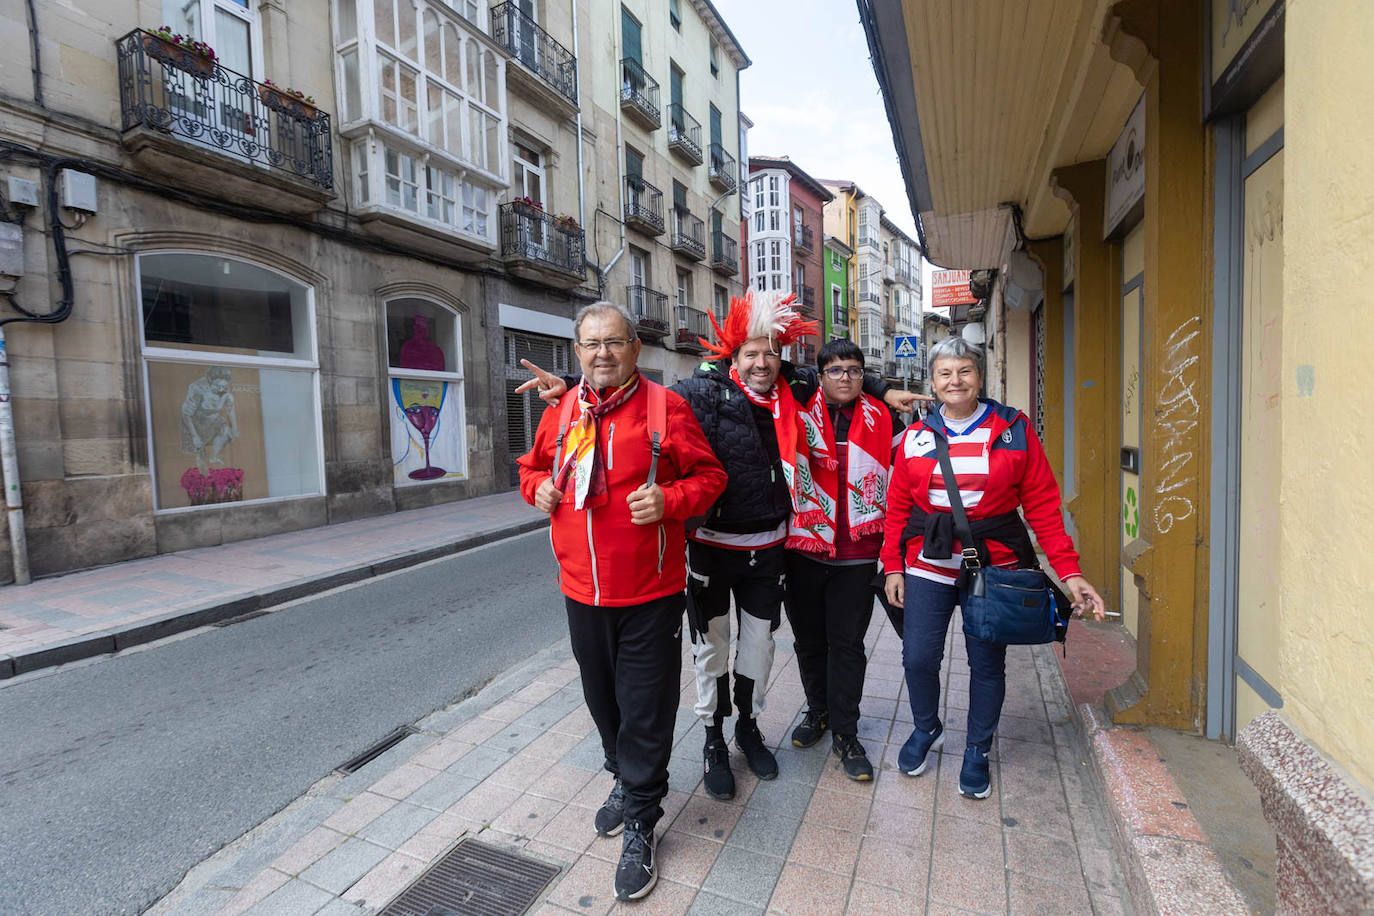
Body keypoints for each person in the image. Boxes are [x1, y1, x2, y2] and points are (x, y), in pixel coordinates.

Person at [516, 291, 922, 800]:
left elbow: (840, 378)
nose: (760, 362)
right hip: (711, 548)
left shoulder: (794, 387)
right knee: (710, 652)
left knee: (758, 649)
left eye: (770, 352)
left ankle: (748, 731)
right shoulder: (703, 392)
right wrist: (575, 384)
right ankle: (712, 740)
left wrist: (882, 390)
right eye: (750, 353)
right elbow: (631, 390)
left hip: (770, 550)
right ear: (732, 356)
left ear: (782, 358)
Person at [517, 302, 726, 901]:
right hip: (580, 589)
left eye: (613, 341)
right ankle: (623, 776)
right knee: (601, 698)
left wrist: (671, 501)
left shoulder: (667, 408)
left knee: (644, 705)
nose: (602, 353)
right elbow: (529, 469)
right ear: (577, 352)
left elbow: (710, 477)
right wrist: (539, 488)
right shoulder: (561, 412)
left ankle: (641, 815)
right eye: (590, 344)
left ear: (635, 348)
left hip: (650, 589)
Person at [882, 336, 1105, 799]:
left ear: (979, 377)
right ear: (933, 381)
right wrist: (892, 566)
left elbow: (1042, 504)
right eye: (945, 373)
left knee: (986, 663)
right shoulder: (916, 436)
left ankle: (977, 749)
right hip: (928, 562)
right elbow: (898, 505)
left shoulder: (1013, 428)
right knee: (918, 656)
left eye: (964, 371)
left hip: (994, 566)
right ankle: (927, 728)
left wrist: (1069, 571)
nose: (955, 381)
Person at [783, 338, 905, 781]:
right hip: (804, 551)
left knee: (848, 646)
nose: (846, 378)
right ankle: (818, 712)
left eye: (854, 370)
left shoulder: (882, 416)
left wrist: (894, 558)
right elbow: (761, 367)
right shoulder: (796, 408)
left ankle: (846, 732)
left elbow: (899, 484)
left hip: (858, 554)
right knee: (810, 643)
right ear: (820, 376)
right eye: (835, 370)